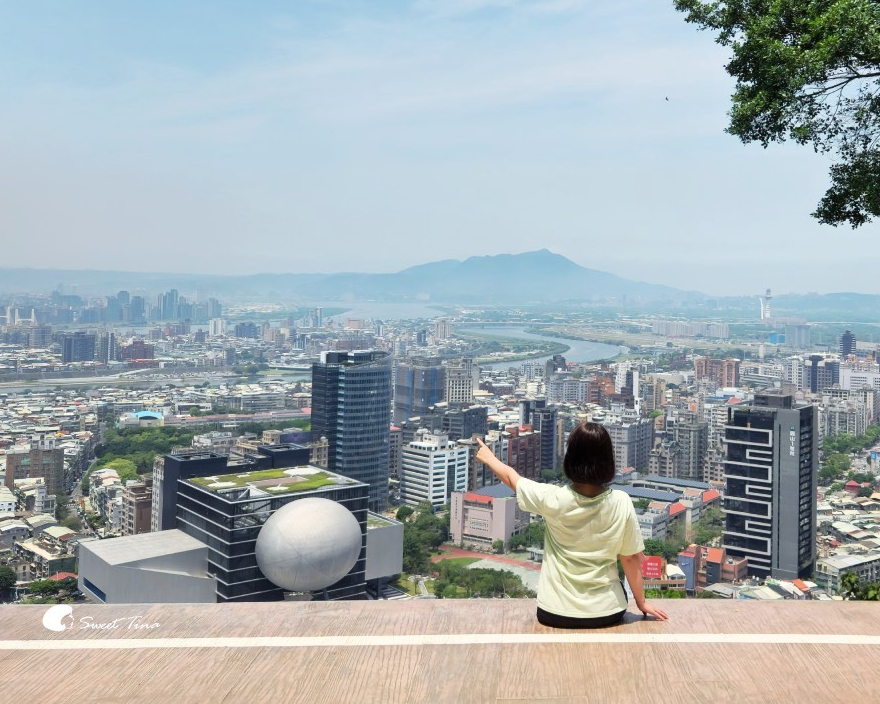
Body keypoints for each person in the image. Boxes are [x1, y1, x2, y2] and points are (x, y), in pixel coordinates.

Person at [475, 422, 668, 628]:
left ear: (571, 459)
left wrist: (490, 458)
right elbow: (629, 558)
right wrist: (642, 602)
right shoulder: (621, 501)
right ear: (608, 460)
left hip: (554, 612)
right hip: (606, 612)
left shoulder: (553, 498)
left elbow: (512, 479)